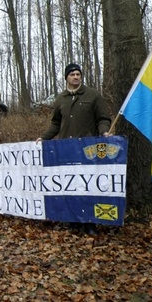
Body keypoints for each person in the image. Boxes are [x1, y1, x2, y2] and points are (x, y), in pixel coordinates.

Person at [36, 63, 111, 236]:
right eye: (72, 75)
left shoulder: (93, 95)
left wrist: (104, 132)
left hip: (87, 149)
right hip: (65, 149)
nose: (76, 77)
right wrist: (44, 137)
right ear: (66, 78)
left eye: (78, 74)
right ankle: (73, 221)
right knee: (70, 186)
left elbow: (103, 118)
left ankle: (90, 223)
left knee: (88, 186)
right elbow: (56, 123)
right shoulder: (60, 99)